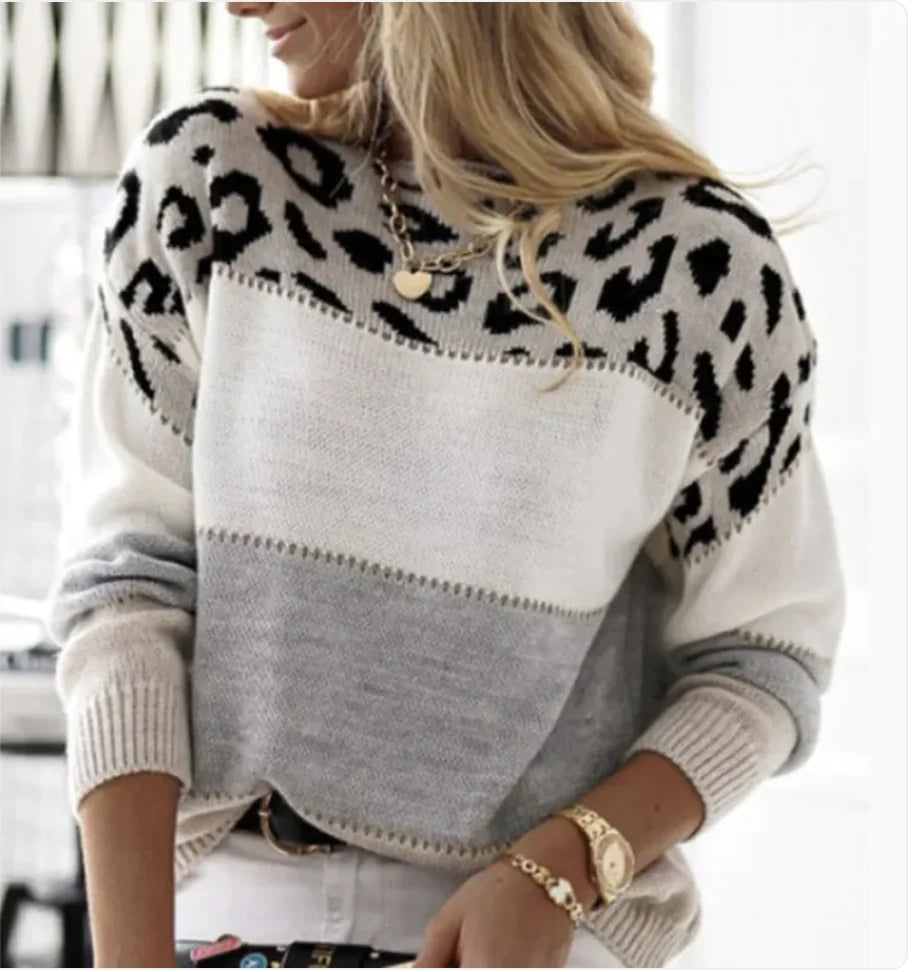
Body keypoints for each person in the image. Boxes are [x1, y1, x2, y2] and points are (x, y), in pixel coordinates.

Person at [44, 2, 847, 968]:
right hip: (211, 908)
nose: (236, 4)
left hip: (531, 933)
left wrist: (559, 871)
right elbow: (127, 591)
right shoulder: (210, 180)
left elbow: (763, 659)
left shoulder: (701, 269)